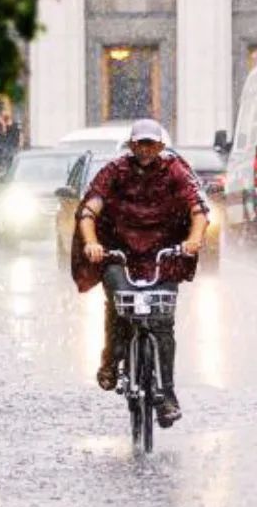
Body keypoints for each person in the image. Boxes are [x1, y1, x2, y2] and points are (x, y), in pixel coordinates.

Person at [71, 118, 209, 427]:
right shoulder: (115, 171)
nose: (145, 150)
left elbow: (197, 209)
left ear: (160, 147)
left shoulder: (175, 171)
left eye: (151, 144)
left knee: (162, 326)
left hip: (163, 255)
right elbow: (89, 210)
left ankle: (168, 395)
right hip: (120, 253)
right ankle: (111, 359)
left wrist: (193, 240)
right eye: (140, 144)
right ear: (131, 146)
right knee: (120, 309)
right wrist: (92, 243)